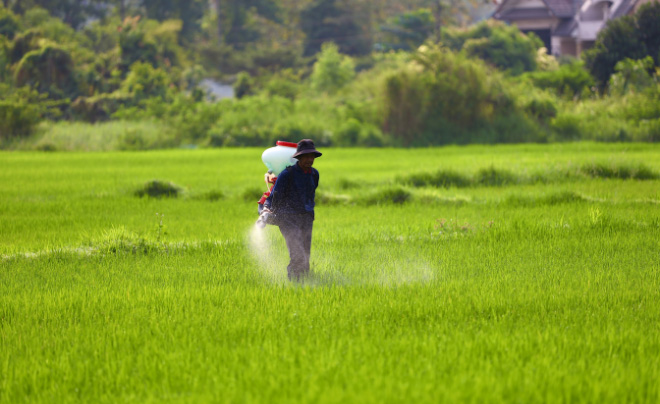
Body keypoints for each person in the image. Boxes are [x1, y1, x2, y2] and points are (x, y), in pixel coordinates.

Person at [263, 139, 321, 281]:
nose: (309, 159)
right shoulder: (287, 174)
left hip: (306, 218)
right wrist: (267, 208)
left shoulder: (314, 174)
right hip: (288, 218)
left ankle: (306, 281)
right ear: (299, 157)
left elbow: (310, 194)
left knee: (306, 253)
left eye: (311, 156)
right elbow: (274, 195)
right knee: (297, 253)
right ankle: (294, 283)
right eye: (306, 156)